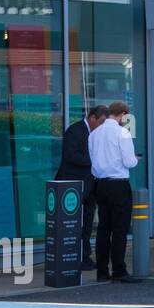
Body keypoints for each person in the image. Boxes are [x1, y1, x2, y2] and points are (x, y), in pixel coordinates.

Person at [88, 101, 140, 283]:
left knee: (103, 228)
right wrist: (136, 159)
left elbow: (93, 160)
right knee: (120, 229)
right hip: (118, 184)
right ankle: (119, 270)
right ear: (124, 114)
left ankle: (102, 272)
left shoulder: (94, 134)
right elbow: (129, 162)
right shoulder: (122, 133)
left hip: (100, 184)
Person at [56, 105, 108, 271]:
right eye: (100, 122)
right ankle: (69, 256)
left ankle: (85, 257)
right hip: (72, 185)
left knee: (87, 223)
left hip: (91, 185)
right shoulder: (75, 130)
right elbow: (70, 156)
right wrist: (94, 160)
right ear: (92, 118)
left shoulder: (98, 134)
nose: (101, 126)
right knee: (72, 224)